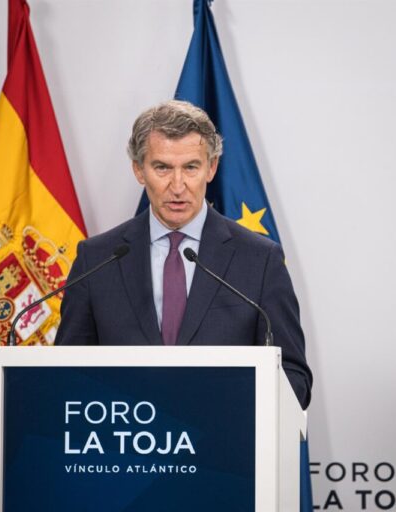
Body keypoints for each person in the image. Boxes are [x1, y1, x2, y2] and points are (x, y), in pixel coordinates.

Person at [55, 100, 312, 409]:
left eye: (191, 167)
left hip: (224, 446)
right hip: (123, 448)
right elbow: (66, 372)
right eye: (162, 167)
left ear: (211, 168)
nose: (178, 186)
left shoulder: (259, 260)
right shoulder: (96, 259)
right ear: (139, 170)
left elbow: (294, 378)